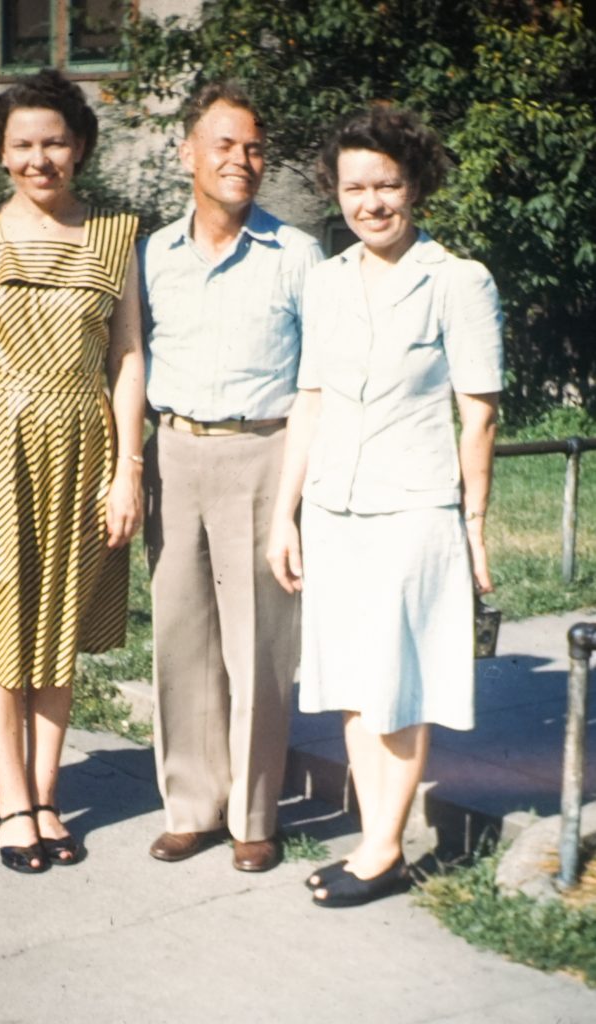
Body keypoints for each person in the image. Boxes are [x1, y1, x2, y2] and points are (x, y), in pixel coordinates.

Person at [267, 105, 503, 907]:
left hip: (413, 513)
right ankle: (378, 841)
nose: (370, 203)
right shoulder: (325, 281)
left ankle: (381, 850)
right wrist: (284, 516)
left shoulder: (459, 280)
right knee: (353, 685)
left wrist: (472, 527)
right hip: (335, 510)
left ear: (415, 186)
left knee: (397, 684)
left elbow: (480, 413)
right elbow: (309, 400)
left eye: (387, 185)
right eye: (354, 187)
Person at [0, 69, 144, 874]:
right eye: (22, 144)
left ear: (80, 145)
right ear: (0, 152)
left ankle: (49, 797)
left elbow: (127, 359)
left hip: (82, 444)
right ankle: (11, 804)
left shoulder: (118, 236)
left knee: (56, 630)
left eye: (54, 141)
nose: (39, 158)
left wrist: (127, 471)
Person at [140, 82, 323, 873]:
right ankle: (192, 807)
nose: (241, 160)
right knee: (182, 639)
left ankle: (254, 816)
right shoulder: (154, 253)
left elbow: (319, 378)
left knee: (258, 645)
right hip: (175, 452)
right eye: (224, 144)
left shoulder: (297, 252)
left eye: (253, 148)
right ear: (188, 154)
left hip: (262, 452)